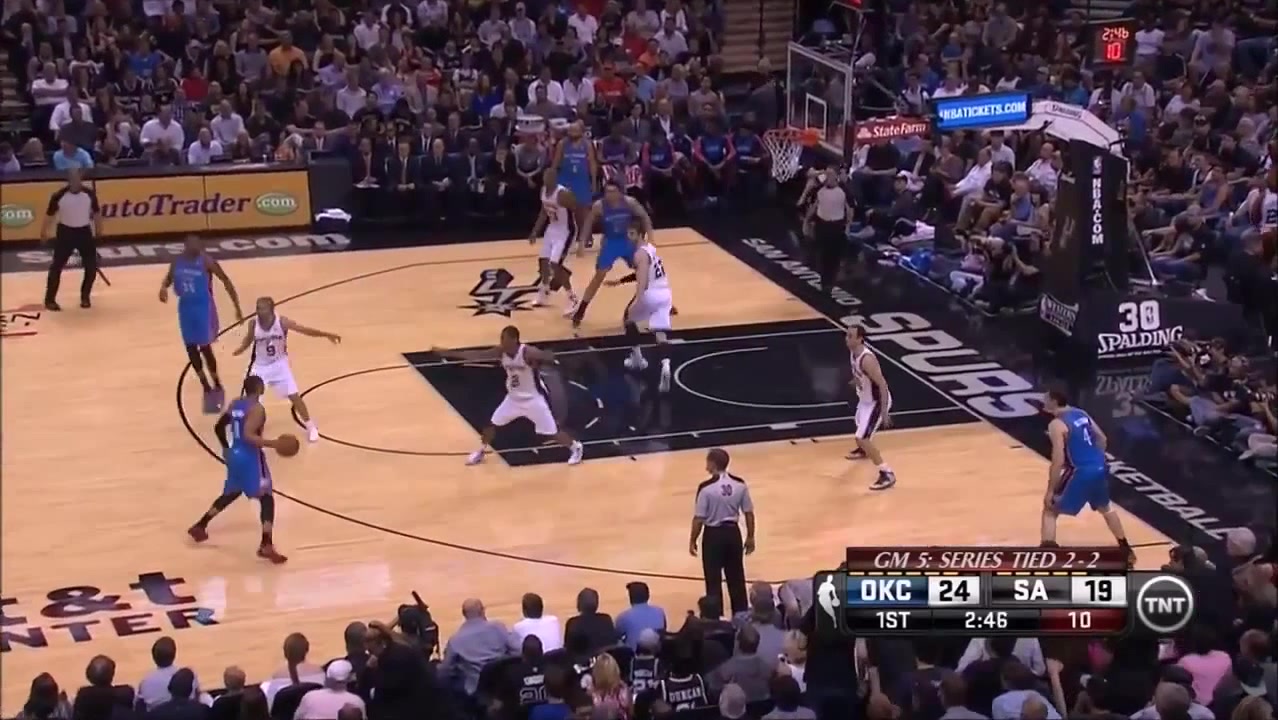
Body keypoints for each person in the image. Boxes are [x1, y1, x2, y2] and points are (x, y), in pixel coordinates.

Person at [432, 325, 585, 466]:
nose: (502, 342)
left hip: (533, 400)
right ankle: (481, 451)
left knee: (552, 432)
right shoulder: (501, 352)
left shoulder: (527, 352)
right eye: (501, 339)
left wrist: (540, 362)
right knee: (491, 425)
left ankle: (576, 447)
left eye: (504, 339)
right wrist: (449, 353)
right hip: (513, 399)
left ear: (514, 340)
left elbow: (549, 356)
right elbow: (477, 355)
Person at [186, 375, 288, 564]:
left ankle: (200, 525)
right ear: (260, 389)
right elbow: (249, 436)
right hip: (251, 457)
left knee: (232, 492)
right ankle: (266, 544)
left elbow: (219, 427)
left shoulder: (235, 404)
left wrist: (226, 448)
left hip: (235, 454)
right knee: (266, 497)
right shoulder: (257, 409)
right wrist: (274, 443)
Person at [1040, 386, 1134, 564]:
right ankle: (1126, 549)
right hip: (1099, 467)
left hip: (1079, 470)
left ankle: (1048, 555)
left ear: (1054, 401)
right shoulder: (1081, 413)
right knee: (1106, 508)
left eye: (1046, 399)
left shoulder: (1056, 424)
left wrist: (1050, 490)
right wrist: (1096, 458)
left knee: (1050, 509)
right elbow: (1102, 438)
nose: (1043, 402)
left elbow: (1058, 460)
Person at [231, 297, 342, 444]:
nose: (259, 311)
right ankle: (250, 431)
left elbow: (305, 330)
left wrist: (326, 334)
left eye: (262, 308)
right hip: (260, 366)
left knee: (294, 396)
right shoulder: (253, 323)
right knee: (252, 401)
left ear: (271, 309)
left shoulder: (282, 322)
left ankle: (311, 426)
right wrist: (241, 349)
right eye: (257, 308)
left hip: (279, 364)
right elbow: (249, 339)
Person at [159, 235, 244, 414]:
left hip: (203, 308)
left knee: (205, 347)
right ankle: (204, 384)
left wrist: (237, 306)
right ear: (186, 246)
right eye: (193, 245)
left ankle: (217, 382)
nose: (197, 248)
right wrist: (163, 288)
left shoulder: (206, 261)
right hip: (185, 308)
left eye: (199, 245)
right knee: (190, 347)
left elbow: (226, 280)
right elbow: (168, 279)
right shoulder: (177, 263)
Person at [570, 181, 656, 329]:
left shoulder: (630, 202)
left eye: (613, 191)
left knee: (647, 273)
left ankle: (648, 306)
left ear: (620, 192)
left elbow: (644, 217)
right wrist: (582, 242)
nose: (609, 195)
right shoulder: (599, 206)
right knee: (599, 276)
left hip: (628, 240)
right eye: (607, 192)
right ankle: (581, 309)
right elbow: (588, 222)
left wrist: (651, 237)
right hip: (611, 242)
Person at [604, 224, 675, 391]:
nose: (628, 237)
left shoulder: (639, 254)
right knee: (660, 333)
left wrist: (638, 300)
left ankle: (637, 359)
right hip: (665, 293)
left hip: (650, 293)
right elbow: (645, 272)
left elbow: (642, 280)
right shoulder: (650, 249)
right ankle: (666, 365)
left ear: (640, 235)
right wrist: (620, 281)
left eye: (631, 233)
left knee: (628, 318)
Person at [691, 448, 755, 615]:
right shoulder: (740, 484)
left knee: (713, 579)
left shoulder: (705, 488)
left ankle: (715, 617)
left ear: (713, 463)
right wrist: (750, 536)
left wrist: (693, 540)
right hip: (733, 534)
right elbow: (748, 512)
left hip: (713, 536)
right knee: (737, 577)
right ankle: (741, 614)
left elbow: (699, 518)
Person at [39, 167, 102, 311]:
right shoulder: (59, 195)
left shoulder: (89, 194)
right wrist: (44, 232)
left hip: (84, 232)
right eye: (73, 179)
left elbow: (96, 213)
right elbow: (49, 215)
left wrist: (99, 230)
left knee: (91, 266)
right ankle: (50, 300)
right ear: (69, 180)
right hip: (65, 233)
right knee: (56, 267)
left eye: (78, 179)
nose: (76, 181)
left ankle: (85, 297)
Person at [844, 326, 897, 490]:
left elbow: (882, 384)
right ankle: (865, 450)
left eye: (850, 336)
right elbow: (859, 373)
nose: (847, 339)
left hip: (876, 403)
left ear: (860, 339)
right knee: (859, 422)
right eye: (846, 335)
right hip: (865, 401)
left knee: (862, 437)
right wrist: (856, 382)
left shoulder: (867, 360)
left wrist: (884, 411)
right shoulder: (853, 353)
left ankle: (887, 472)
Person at [528, 167, 580, 310]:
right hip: (552, 228)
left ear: (555, 178)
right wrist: (535, 231)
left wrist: (583, 237)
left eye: (550, 177)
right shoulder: (543, 191)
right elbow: (543, 213)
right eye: (545, 176)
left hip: (566, 230)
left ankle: (572, 298)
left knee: (555, 265)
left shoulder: (562, 194)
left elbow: (576, 208)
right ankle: (544, 291)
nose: (547, 179)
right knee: (543, 261)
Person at [551, 121, 598, 249]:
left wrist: (593, 182)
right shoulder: (562, 144)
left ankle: (586, 236)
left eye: (575, 131)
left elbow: (592, 164)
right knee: (563, 209)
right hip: (565, 179)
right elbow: (555, 163)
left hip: (581, 179)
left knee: (583, 209)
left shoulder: (587, 144)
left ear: (581, 132)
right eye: (570, 131)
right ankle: (563, 237)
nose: (572, 134)